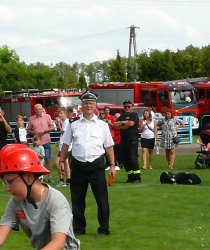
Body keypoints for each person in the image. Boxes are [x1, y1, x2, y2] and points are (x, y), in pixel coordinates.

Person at [58, 92, 116, 237]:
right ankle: (78, 228)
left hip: (96, 165)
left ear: (95, 105)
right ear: (82, 106)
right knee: (77, 199)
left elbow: (109, 146)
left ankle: (104, 229)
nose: (88, 106)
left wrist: (112, 165)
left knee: (102, 200)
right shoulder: (73, 124)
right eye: (86, 103)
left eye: (91, 103)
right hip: (78, 165)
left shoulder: (102, 125)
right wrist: (61, 160)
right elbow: (66, 143)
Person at [27, 104, 57, 183]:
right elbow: (29, 130)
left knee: (48, 159)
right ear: (35, 110)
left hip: (46, 140)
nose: (39, 111)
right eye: (37, 109)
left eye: (40, 109)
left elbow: (52, 127)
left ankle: (50, 176)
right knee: (37, 160)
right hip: (36, 142)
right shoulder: (31, 119)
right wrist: (34, 132)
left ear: (42, 109)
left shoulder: (47, 117)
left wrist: (44, 131)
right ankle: (39, 176)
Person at [112, 100, 141, 183]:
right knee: (125, 159)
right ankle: (130, 177)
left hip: (132, 140)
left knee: (133, 158)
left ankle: (137, 177)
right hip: (123, 141)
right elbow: (115, 125)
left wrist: (122, 124)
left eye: (129, 106)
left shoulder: (134, 115)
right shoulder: (122, 116)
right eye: (125, 107)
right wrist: (124, 123)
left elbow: (131, 124)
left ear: (132, 107)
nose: (127, 108)